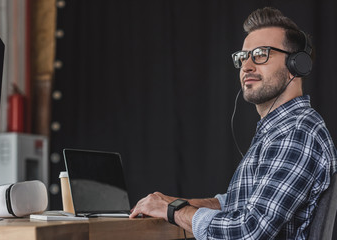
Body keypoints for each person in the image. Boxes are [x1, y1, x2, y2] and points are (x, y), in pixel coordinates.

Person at [129, 7, 337, 239]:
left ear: (296, 66)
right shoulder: (278, 130)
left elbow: (249, 230)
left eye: (260, 54)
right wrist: (175, 203)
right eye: (243, 56)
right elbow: (241, 202)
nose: (246, 66)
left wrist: (171, 211)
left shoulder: (297, 131)